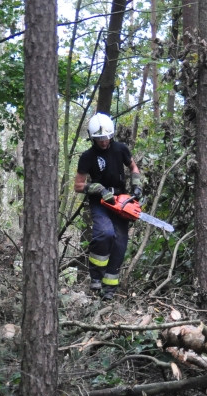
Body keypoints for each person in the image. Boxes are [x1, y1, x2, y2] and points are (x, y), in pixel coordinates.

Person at [74, 112, 142, 301]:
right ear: (93, 138)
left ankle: (109, 289)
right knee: (105, 233)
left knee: (120, 243)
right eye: (99, 139)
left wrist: (137, 185)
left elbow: (133, 168)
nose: (104, 142)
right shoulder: (87, 156)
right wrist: (97, 188)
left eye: (106, 138)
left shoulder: (121, 149)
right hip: (100, 202)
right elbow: (78, 186)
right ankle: (96, 276)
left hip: (121, 200)